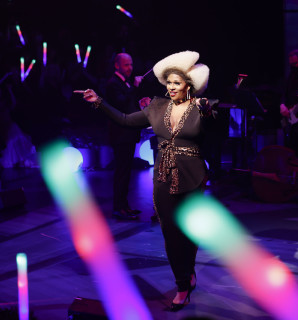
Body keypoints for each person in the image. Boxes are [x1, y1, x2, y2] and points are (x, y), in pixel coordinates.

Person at [76, 51, 212, 311]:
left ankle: (189, 268)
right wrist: (98, 102)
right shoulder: (156, 107)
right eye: (169, 82)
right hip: (163, 176)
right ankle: (182, 284)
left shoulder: (201, 107)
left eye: (177, 82)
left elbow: (211, 134)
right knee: (171, 233)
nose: (171, 86)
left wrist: (207, 114)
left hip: (193, 175)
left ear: (188, 85)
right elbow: (126, 120)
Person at [105, 53, 145, 220]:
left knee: (126, 172)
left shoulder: (125, 83)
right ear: (117, 65)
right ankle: (118, 207)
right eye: (126, 65)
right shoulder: (113, 83)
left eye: (131, 64)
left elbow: (129, 104)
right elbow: (120, 103)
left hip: (128, 133)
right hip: (120, 134)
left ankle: (124, 206)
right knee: (121, 172)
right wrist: (135, 87)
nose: (130, 68)